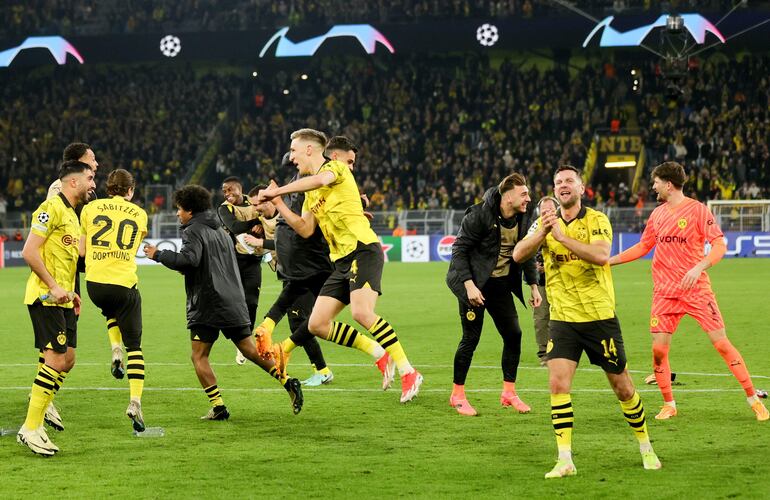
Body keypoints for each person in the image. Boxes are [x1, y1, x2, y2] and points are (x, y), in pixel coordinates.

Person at [513, 165, 661, 478]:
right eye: (558, 182)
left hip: (599, 318)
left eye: (569, 181)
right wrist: (543, 231)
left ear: (581, 188)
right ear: (554, 191)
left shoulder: (596, 220)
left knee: (623, 388)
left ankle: (646, 446)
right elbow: (517, 255)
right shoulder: (544, 223)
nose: (563, 186)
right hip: (563, 320)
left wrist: (562, 237)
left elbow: (600, 255)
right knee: (557, 384)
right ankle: (565, 459)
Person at [257, 128, 423, 403]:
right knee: (318, 323)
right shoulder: (310, 194)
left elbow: (321, 179)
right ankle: (381, 357)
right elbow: (305, 228)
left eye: (295, 151)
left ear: (310, 149)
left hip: (363, 250)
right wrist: (278, 202)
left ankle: (409, 372)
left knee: (362, 313)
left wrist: (280, 190)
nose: (293, 157)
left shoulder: (335, 167)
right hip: (342, 261)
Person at [608, 161, 769, 421]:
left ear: (668, 184)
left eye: (656, 182)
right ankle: (669, 404)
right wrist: (610, 262)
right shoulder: (657, 215)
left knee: (722, 344)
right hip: (664, 292)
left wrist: (699, 267)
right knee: (659, 352)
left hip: (696, 291)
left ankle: (753, 399)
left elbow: (719, 245)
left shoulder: (697, 211)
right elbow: (643, 247)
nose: (653, 187)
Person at [144, 185, 303, 418]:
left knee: (198, 356)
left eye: (179, 209)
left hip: (208, 302)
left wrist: (158, 255)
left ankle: (218, 406)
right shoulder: (219, 229)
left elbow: (189, 260)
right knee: (249, 349)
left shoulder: (193, 230)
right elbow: (209, 263)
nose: (177, 214)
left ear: (189, 210)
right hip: (233, 299)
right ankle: (288, 382)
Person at [445, 173, 540, 416]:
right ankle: (457, 395)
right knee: (471, 339)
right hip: (473, 283)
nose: (529, 198)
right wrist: (469, 286)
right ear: (508, 196)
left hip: (499, 284)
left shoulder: (524, 216)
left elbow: (525, 250)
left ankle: (509, 392)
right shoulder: (479, 215)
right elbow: (458, 251)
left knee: (514, 334)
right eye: (524, 194)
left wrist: (533, 285)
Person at [17, 160, 95, 456]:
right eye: (89, 178)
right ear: (73, 181)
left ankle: (37, 421)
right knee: (54, 360)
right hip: (44, 297)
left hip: (62, 298)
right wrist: (53, 286)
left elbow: (64, 259)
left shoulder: (73, 215)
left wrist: (72, 292)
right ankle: (31, 427)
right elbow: (29, 251)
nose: (93, 184)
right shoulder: (51, 208)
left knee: (66, 360)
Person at [246, 175, 334, 387]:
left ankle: (321, 369)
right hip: (292, 274)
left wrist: (261, 242)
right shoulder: (268, 218)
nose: (256, 210)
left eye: (257, 205)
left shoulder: (289, 214)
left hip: (305, 273)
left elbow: (292, 243)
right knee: (302, 322)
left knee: (302, 322)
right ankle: (319, 368)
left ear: (268, 200)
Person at [79, 169, 149, 432]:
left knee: (110, 308)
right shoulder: (140, 214)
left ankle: (114, 349)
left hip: (95, 284)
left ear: (108, 188)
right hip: (124, 282)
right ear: (130, 190)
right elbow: (134, 245)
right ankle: (135, 402)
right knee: (137, 347)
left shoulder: (91, 208)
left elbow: (83, 250)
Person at [39, 143, 100, 432]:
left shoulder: (86, 190)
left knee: (69, 356)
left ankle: (44, 396)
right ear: (77, 164)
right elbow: (61, 235)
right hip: (57, 276)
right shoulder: (58, 194)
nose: (96, 164)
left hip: (71, 276)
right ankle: (40, 405)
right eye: (92, 160)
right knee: (55, 351)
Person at [217, 176, 263, 365]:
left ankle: (244, 342)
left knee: (251, 303)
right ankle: (238, 338)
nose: (227, 194)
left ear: (240, 188)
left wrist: (260, 222)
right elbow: (234, 227)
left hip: (252, 261)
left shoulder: (253, 202)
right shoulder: (224, 208)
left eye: (230, 190)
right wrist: (256, 223)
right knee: (233, 302)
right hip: (231, 261)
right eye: (224, 191)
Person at [529, 197, 559, 366]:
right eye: (543, 212)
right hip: (540, 282)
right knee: (541, 318)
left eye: (550, 210)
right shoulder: (535, 226)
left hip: (562, 280)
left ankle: (561, 351)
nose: (546, 214)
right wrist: (534, 268)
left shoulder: (565, 223)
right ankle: (544, 354)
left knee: (563, 316)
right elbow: (525, 250)